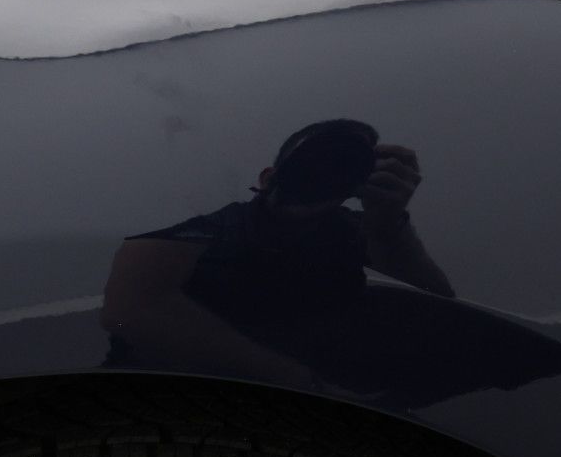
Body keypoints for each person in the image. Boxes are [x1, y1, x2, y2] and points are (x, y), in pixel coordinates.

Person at [100, 119, 453, 392]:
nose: (320, 175)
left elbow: (436, 305)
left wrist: (388, 222)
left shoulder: (358, 231)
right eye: (309, 163)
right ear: (269, 177)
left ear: (355, 186)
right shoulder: (215, 228)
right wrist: (299, 382)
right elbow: (127, 310)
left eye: (341, 168)